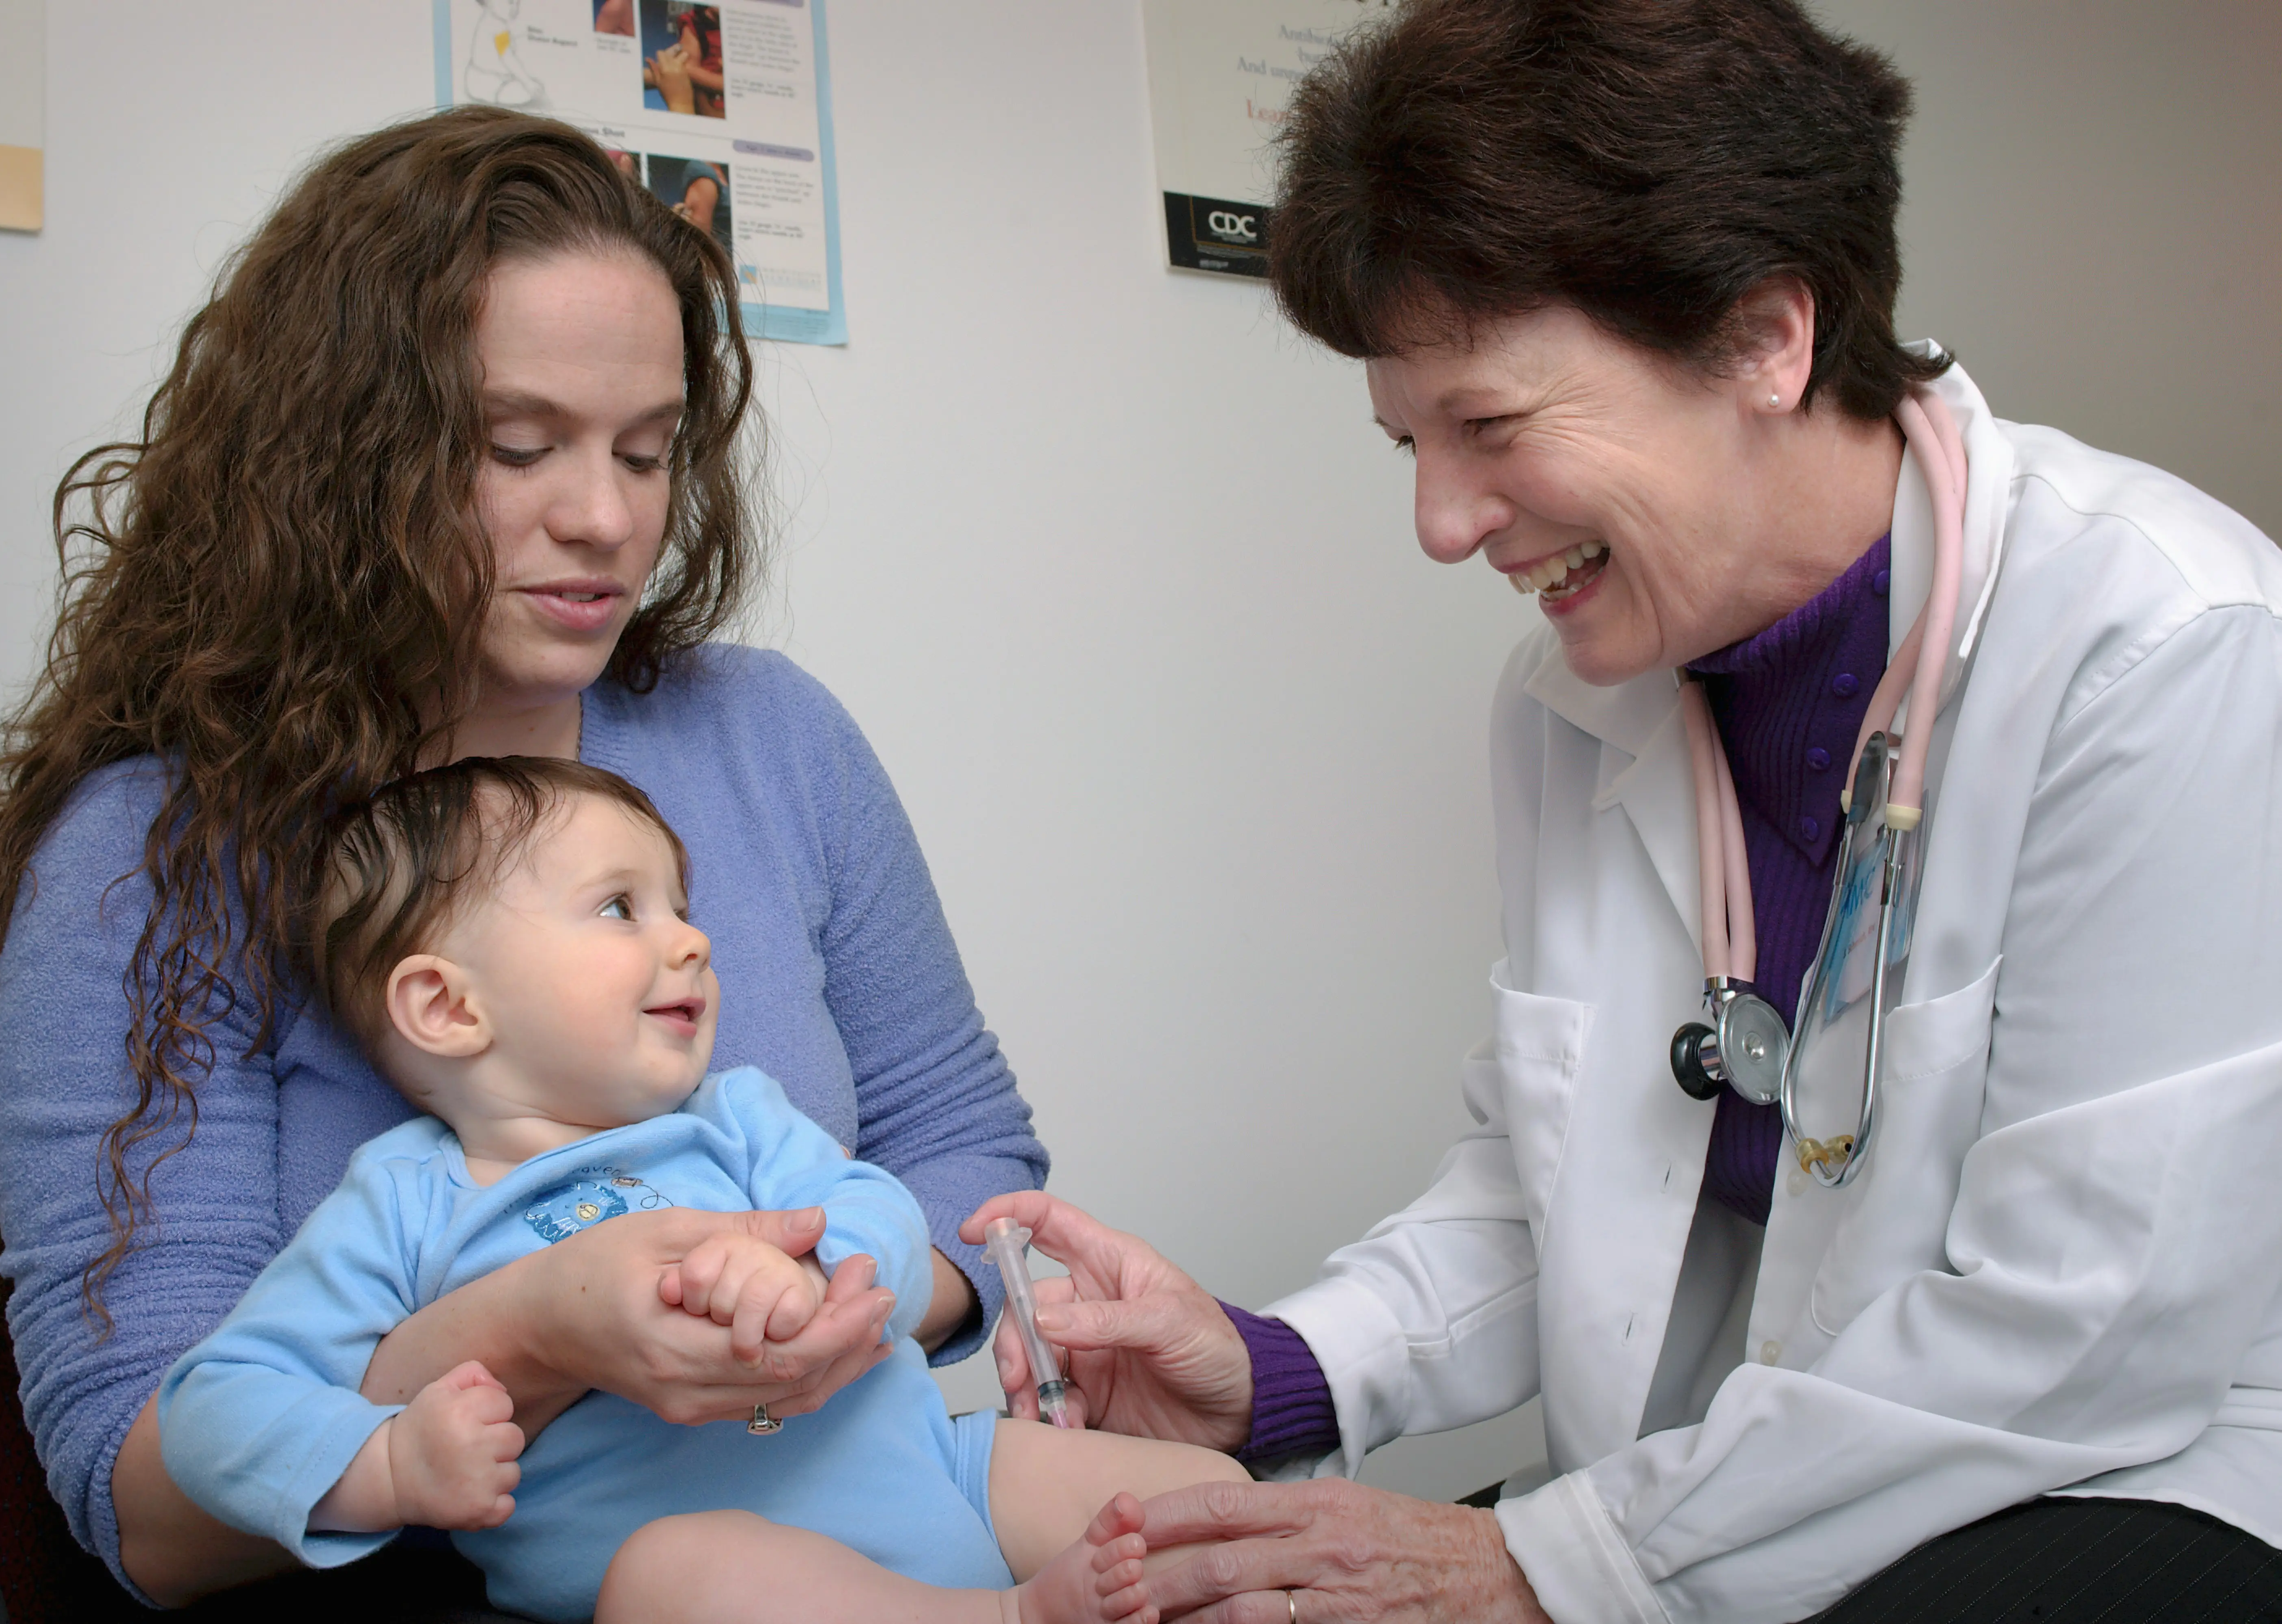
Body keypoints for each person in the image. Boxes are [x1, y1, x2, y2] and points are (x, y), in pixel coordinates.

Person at [971, 2, 2282, 1620]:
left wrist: (1545, 1560)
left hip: (2143, 1464)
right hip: (1759, 1474)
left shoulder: (2158, 644)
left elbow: (2087, 1322)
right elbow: (1555, 1176)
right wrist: (1274, 1363)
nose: (1440, 524)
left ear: (1761, 338)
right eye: (1406, 441)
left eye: (1489, 429)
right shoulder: (1573, 697)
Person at [0, 106, 1046, 1613]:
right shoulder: (155, 862)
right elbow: (145, 1511)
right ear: (344, 458)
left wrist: (844, 1296)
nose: (607, 518)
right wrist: (542, 1334)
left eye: (649, 450)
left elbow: (965, 1146)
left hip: (842, 1524)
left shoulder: (772, 741)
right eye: (518, 446)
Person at [158, 755, 1244, 1624]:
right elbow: (215, 1407)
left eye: (681, 904)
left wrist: (813, 1265)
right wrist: (387, 1460)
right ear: (447, 1006)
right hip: (705, 1573)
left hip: (942, 1471)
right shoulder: (405, 1201)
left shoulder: (736, 1118)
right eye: (621, 908)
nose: (693, 937)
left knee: (1218, 1505)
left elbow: (885, 1214)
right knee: (677, 1573)